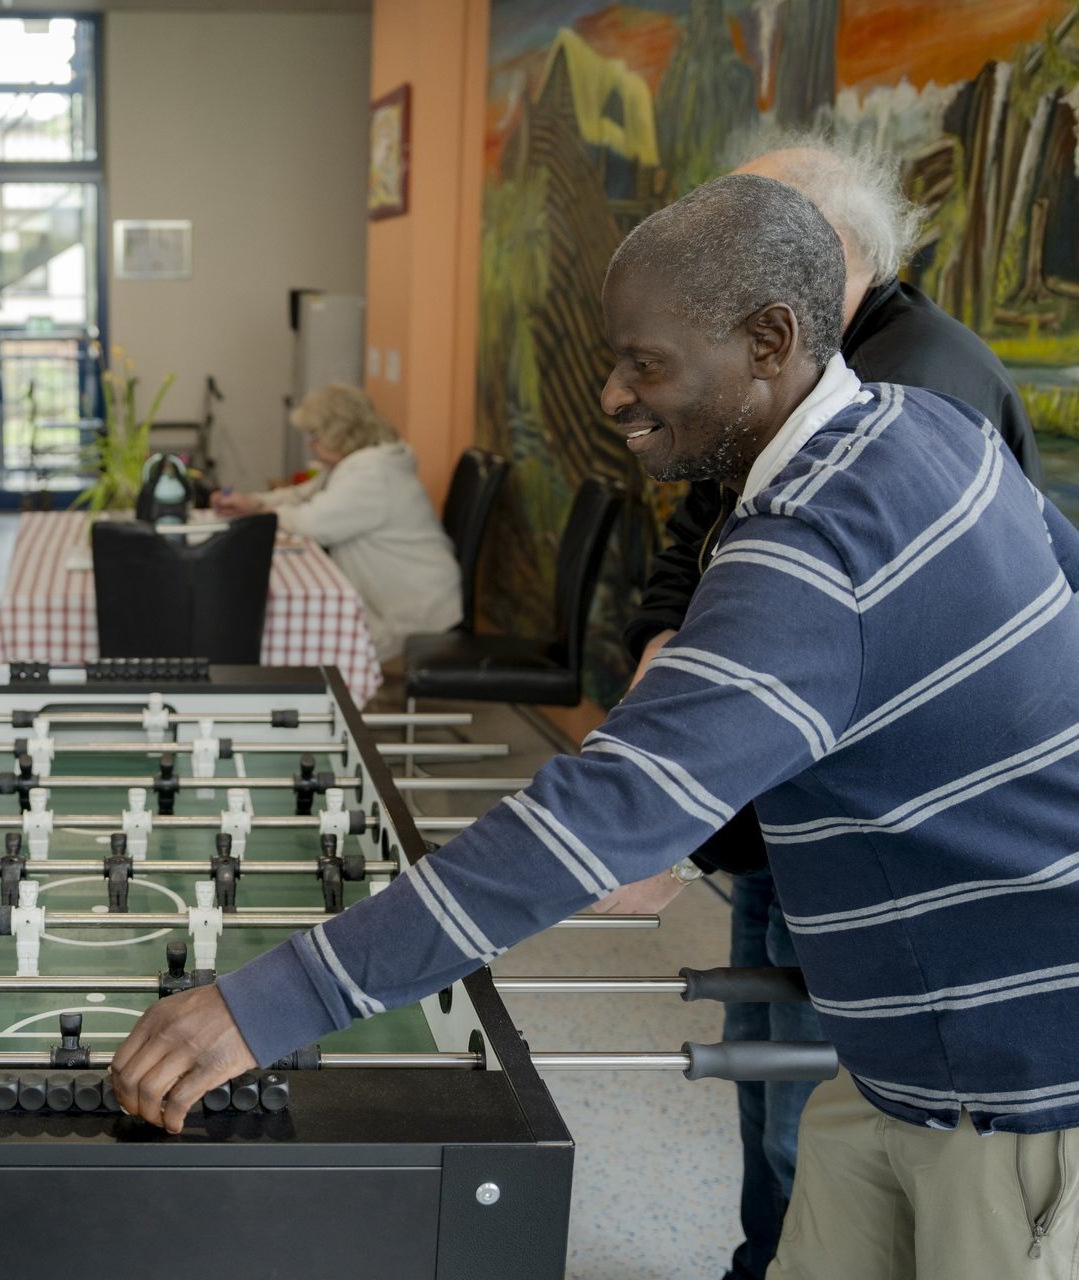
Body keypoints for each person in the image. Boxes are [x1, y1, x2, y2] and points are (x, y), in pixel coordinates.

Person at [111, 173, 1079, 1277]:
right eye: (611, 361)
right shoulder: (923, 427)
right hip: (896, 1059)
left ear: (771, 339)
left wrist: (268, 1000)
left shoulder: (808, 544)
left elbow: (590, 817)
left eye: (647, 364)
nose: (615, 395)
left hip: (1019, 1086)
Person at [595, 140, 1045, 1280]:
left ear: (817, 261)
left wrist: (673, 819)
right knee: (784, 1096)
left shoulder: (916, 388)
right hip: (797, 815)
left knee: (807, 1098)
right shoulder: (783, 375)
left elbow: (817, 657)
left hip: (926, 885)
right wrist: (667, 654)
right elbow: (695, 546)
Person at [211, 383, 462, 661]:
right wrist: (255, 502)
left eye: (314, 435)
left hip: (416, 606)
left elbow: (313, 522)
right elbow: (300, 495)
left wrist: (259, 513)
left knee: (303, 638)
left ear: (340, 431)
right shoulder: (355, 463)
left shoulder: (372, 474)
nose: (310, 445)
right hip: (400, 594)